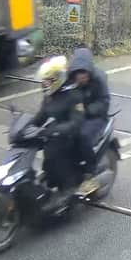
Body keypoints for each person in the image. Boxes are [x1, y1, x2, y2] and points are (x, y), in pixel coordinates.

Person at [33, 56, 85, 208]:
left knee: (56, 152)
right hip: (56, 131)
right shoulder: (50, 96)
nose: (44, 84)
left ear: (57, 80)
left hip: (72, 135)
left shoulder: (74, 95)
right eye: (43, 81)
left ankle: (69, 187)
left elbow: (77, 122)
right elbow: (41, 115)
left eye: (47, 81)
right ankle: (51, 176)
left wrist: (55, 130)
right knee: (46, 148)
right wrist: (25, 127)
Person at [67, 47, 111, 195]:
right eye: (78, 73)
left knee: (82, 135)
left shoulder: (99, 79)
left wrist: (86, 109)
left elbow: (104, 102)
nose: (81, 77)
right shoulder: (69, 80)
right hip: (76, 115)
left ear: (89, 71)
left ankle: (90, 173)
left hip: (95, 118)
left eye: (84, 73)